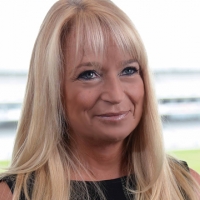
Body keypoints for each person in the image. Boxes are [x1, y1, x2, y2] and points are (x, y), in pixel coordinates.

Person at [0, 0, 200, 199]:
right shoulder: (12, 194)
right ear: (52, 91)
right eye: (88, 74)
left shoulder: (189, 185)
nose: (115, 95)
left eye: (128, 70)